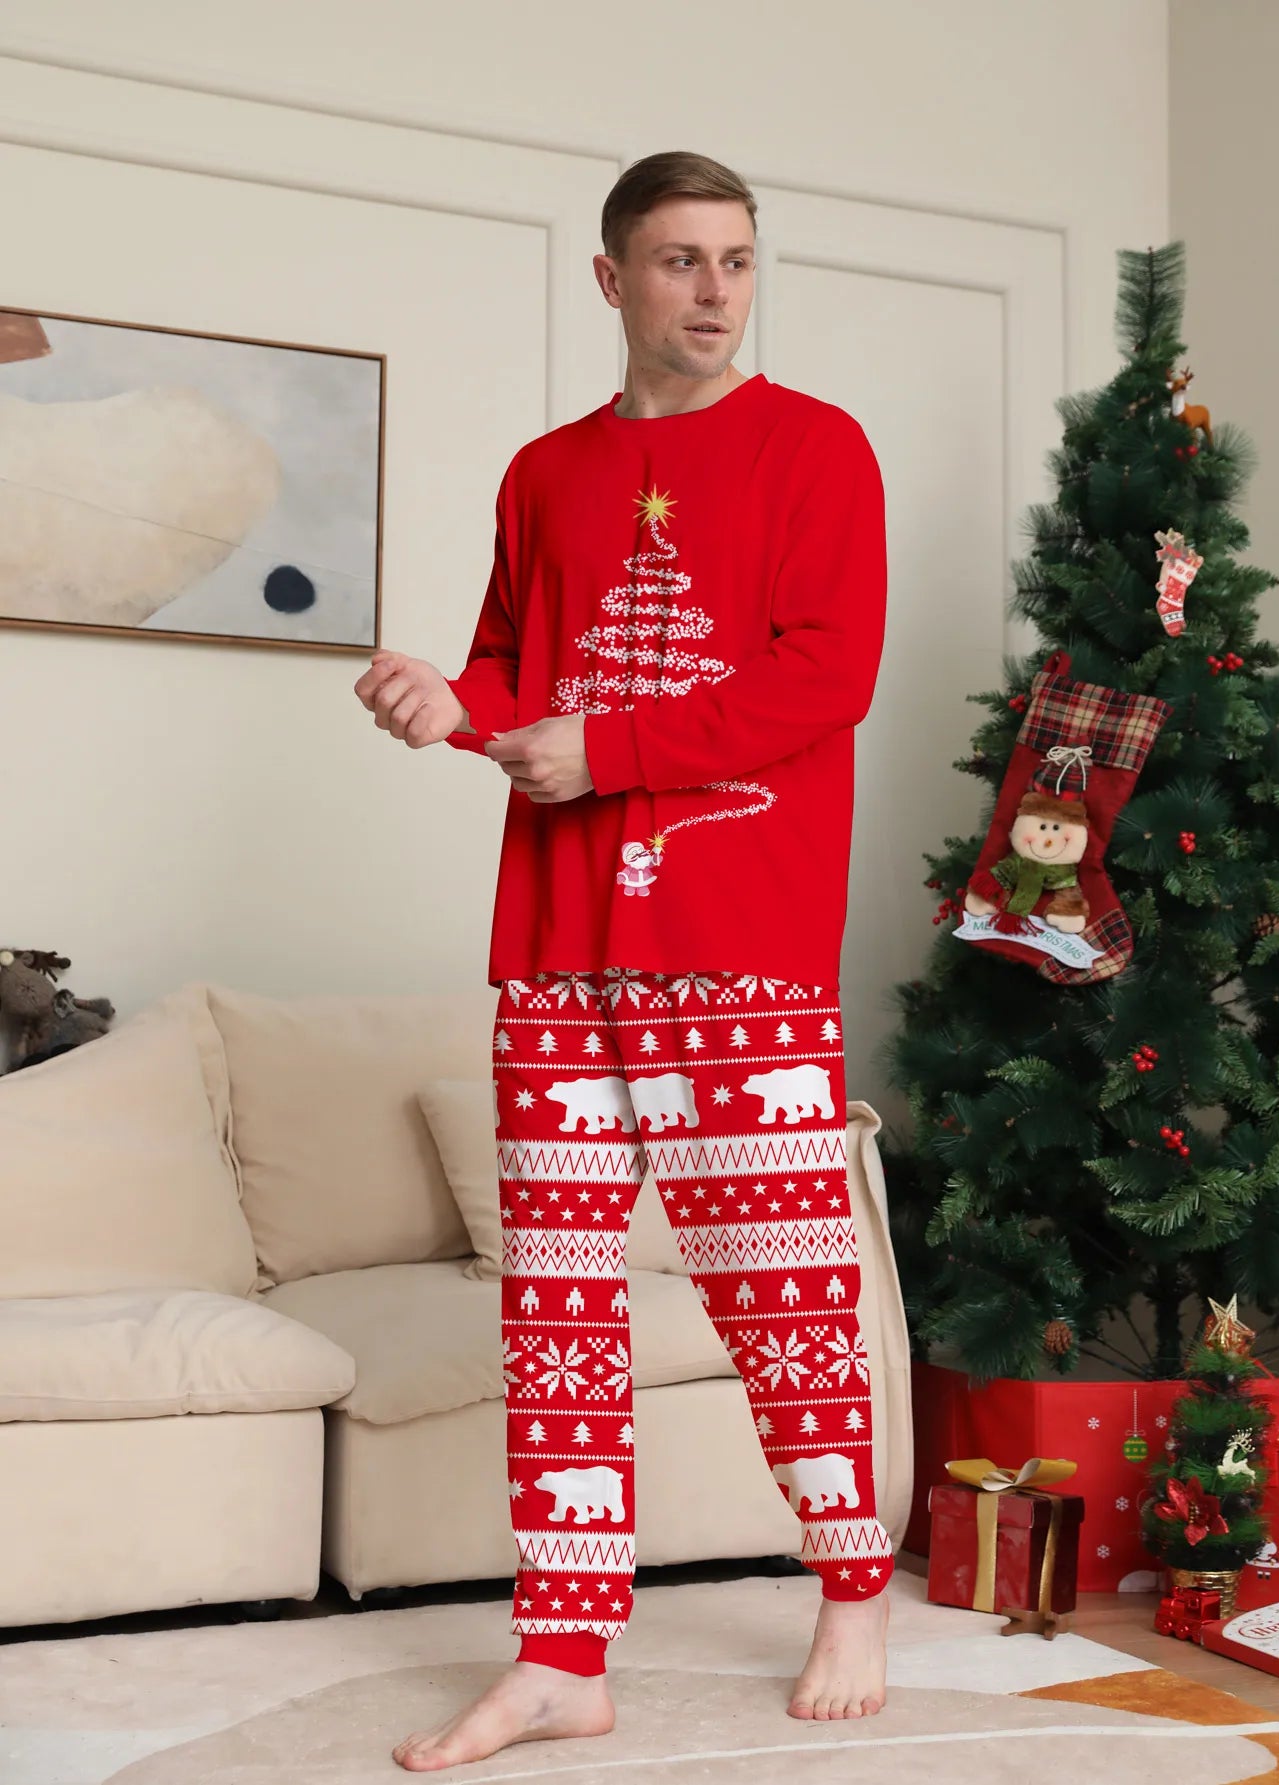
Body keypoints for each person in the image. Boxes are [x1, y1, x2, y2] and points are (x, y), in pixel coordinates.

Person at [355, 149, 890, 1775]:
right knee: (559, 1310)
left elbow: (827, 679)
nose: (714, 290)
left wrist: (612, 753)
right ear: (611, 279)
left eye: (734, 259)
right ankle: (563, 1654)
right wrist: (449, 705)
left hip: (740, 945)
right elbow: (520, 666)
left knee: (780, 1296)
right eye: (677, 260)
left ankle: (852, 1591)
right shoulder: (543, 472)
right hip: (556, 952)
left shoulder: (818, 450)